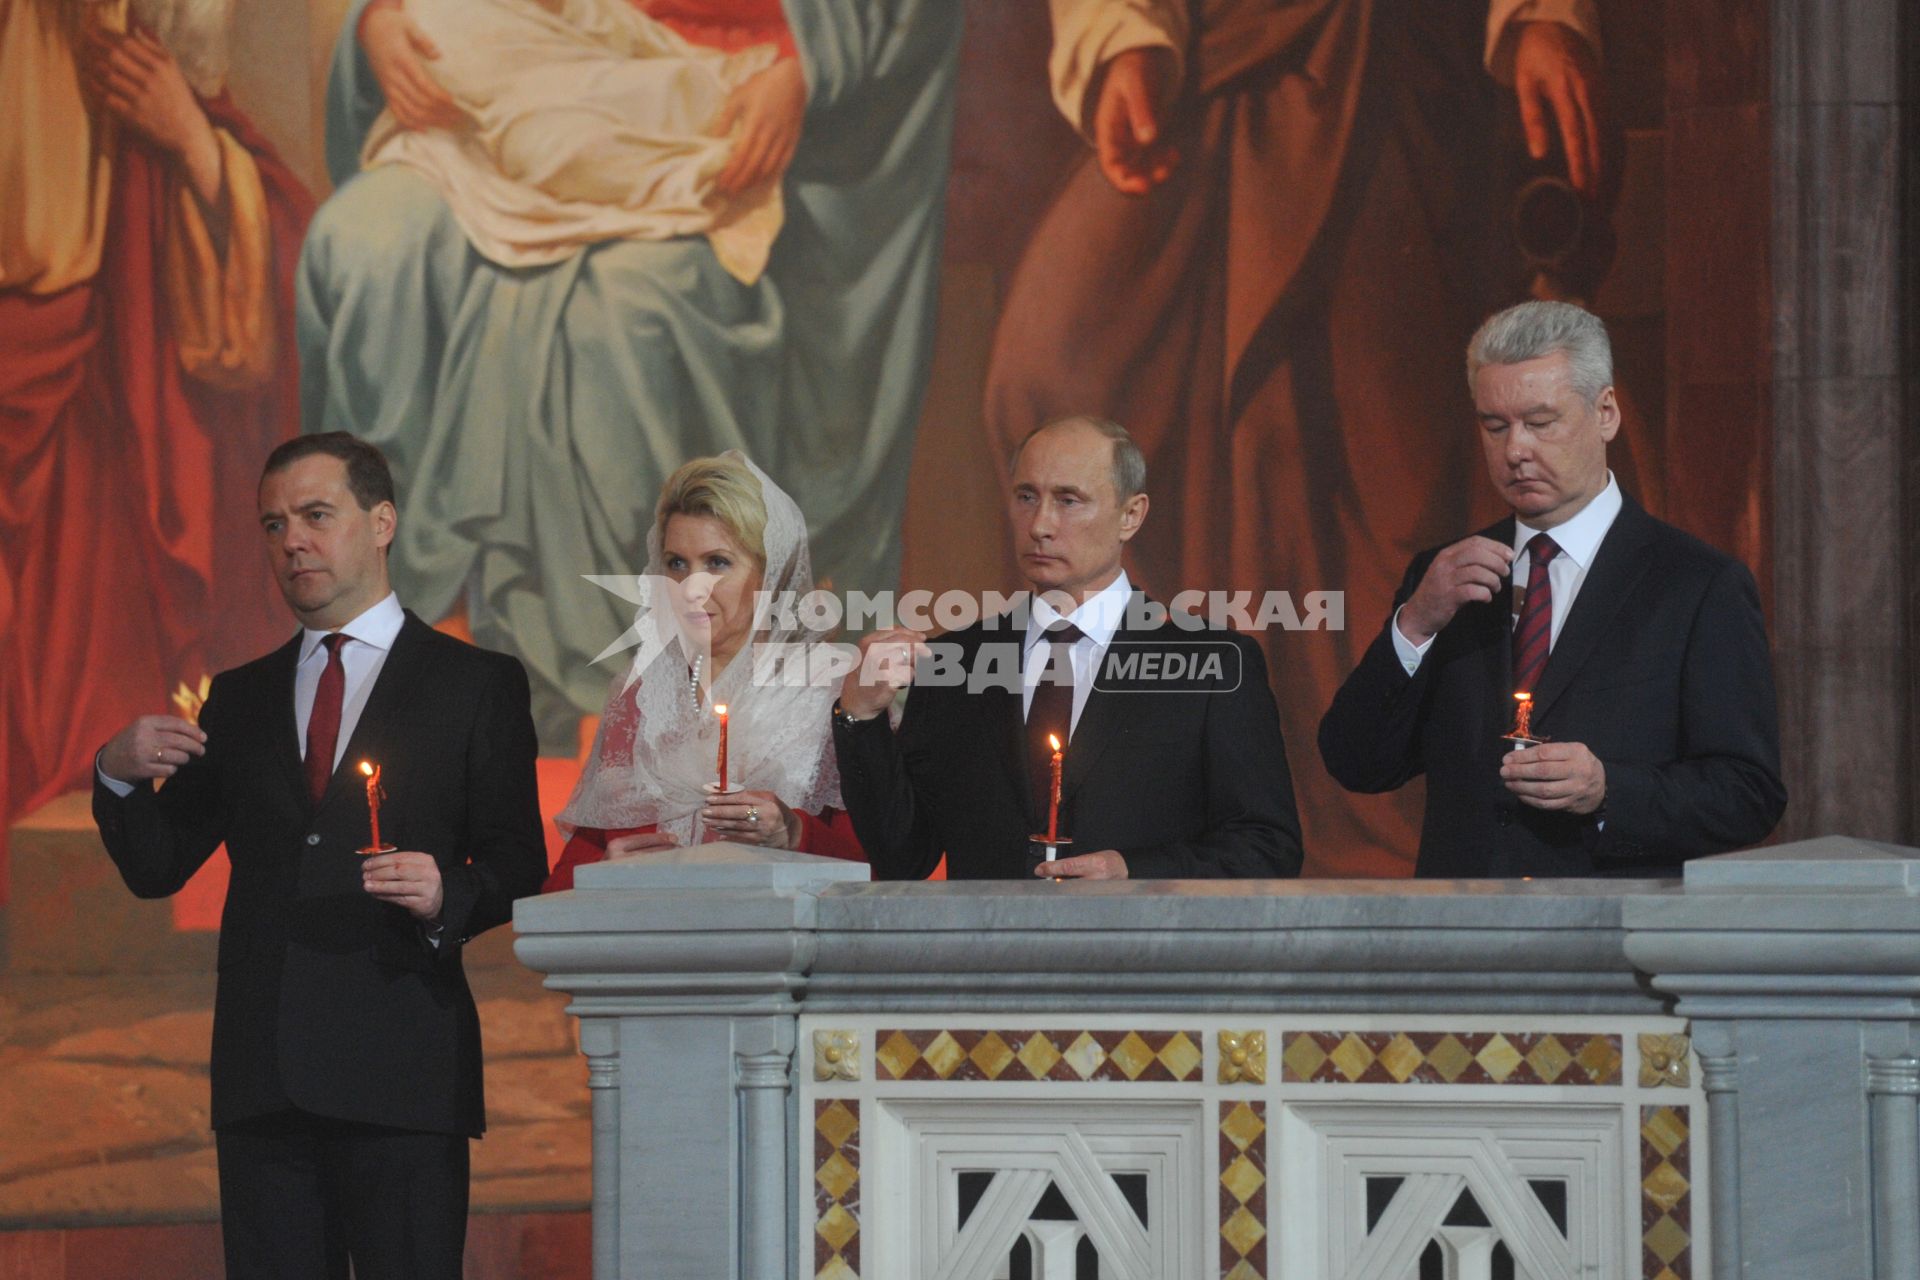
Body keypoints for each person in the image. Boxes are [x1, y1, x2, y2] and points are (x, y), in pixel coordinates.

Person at [983, 0, 1609, 877]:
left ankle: (1369, 824)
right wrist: (1124, 38)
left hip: (1391, 66)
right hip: (1204, 76)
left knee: (1381, 458)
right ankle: (1167, 774)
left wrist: (1538, 17)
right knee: (1043, 359)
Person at [297, 0, 961, 753]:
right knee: (365, 246)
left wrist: (808, 69)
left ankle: (613, 691)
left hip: (728, 109)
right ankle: (396, 652)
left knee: (620, 317)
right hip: (522, 85)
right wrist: (380, 24)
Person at [90, 433, 546, 1278]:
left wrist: (450, 890)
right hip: (263, 1085)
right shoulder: (240, 697)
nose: (291, 540)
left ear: (381, 522)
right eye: (272, 525)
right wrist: (115, 778)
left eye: (314, 515)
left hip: (403, 1076)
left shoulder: (475, 684)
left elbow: (519, 861)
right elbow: (158, 868)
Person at [1318, 301, 1786, 877]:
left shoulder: (1696, 584)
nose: (1516, 449)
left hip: (1612, 945)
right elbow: (1357, 762)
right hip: (1462, 944)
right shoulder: (1443, 581)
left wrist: (1609, 789)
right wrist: (1414, 625)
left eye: (1540, 423)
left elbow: (1748, 793)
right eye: (1495, 426)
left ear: (1606, 412)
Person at [1, 0, 311, 859]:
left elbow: (285, 277)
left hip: (127, 454)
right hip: (66, 411)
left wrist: (194, 145)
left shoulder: (154, 81)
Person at [834, 416, 1303, 881]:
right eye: (1026, 497)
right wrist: (860, 719)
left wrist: (1132, 872)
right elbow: (903, 857)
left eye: (1068, 501)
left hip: (1139, 949)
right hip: (985, 953)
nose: (1040, 524)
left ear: (1131, 515)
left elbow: (1267, 848)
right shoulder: (954, 663)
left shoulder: (1214, 663)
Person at [544, 452, 863, 891]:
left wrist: (795, 834)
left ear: (772, 572)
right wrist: (599, 874)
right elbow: (560, 885)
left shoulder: (837, 693)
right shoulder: (640, 697)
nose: (692, 588)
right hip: (654, 950)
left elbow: (890, 872)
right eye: (677, 564)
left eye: (717, 563)